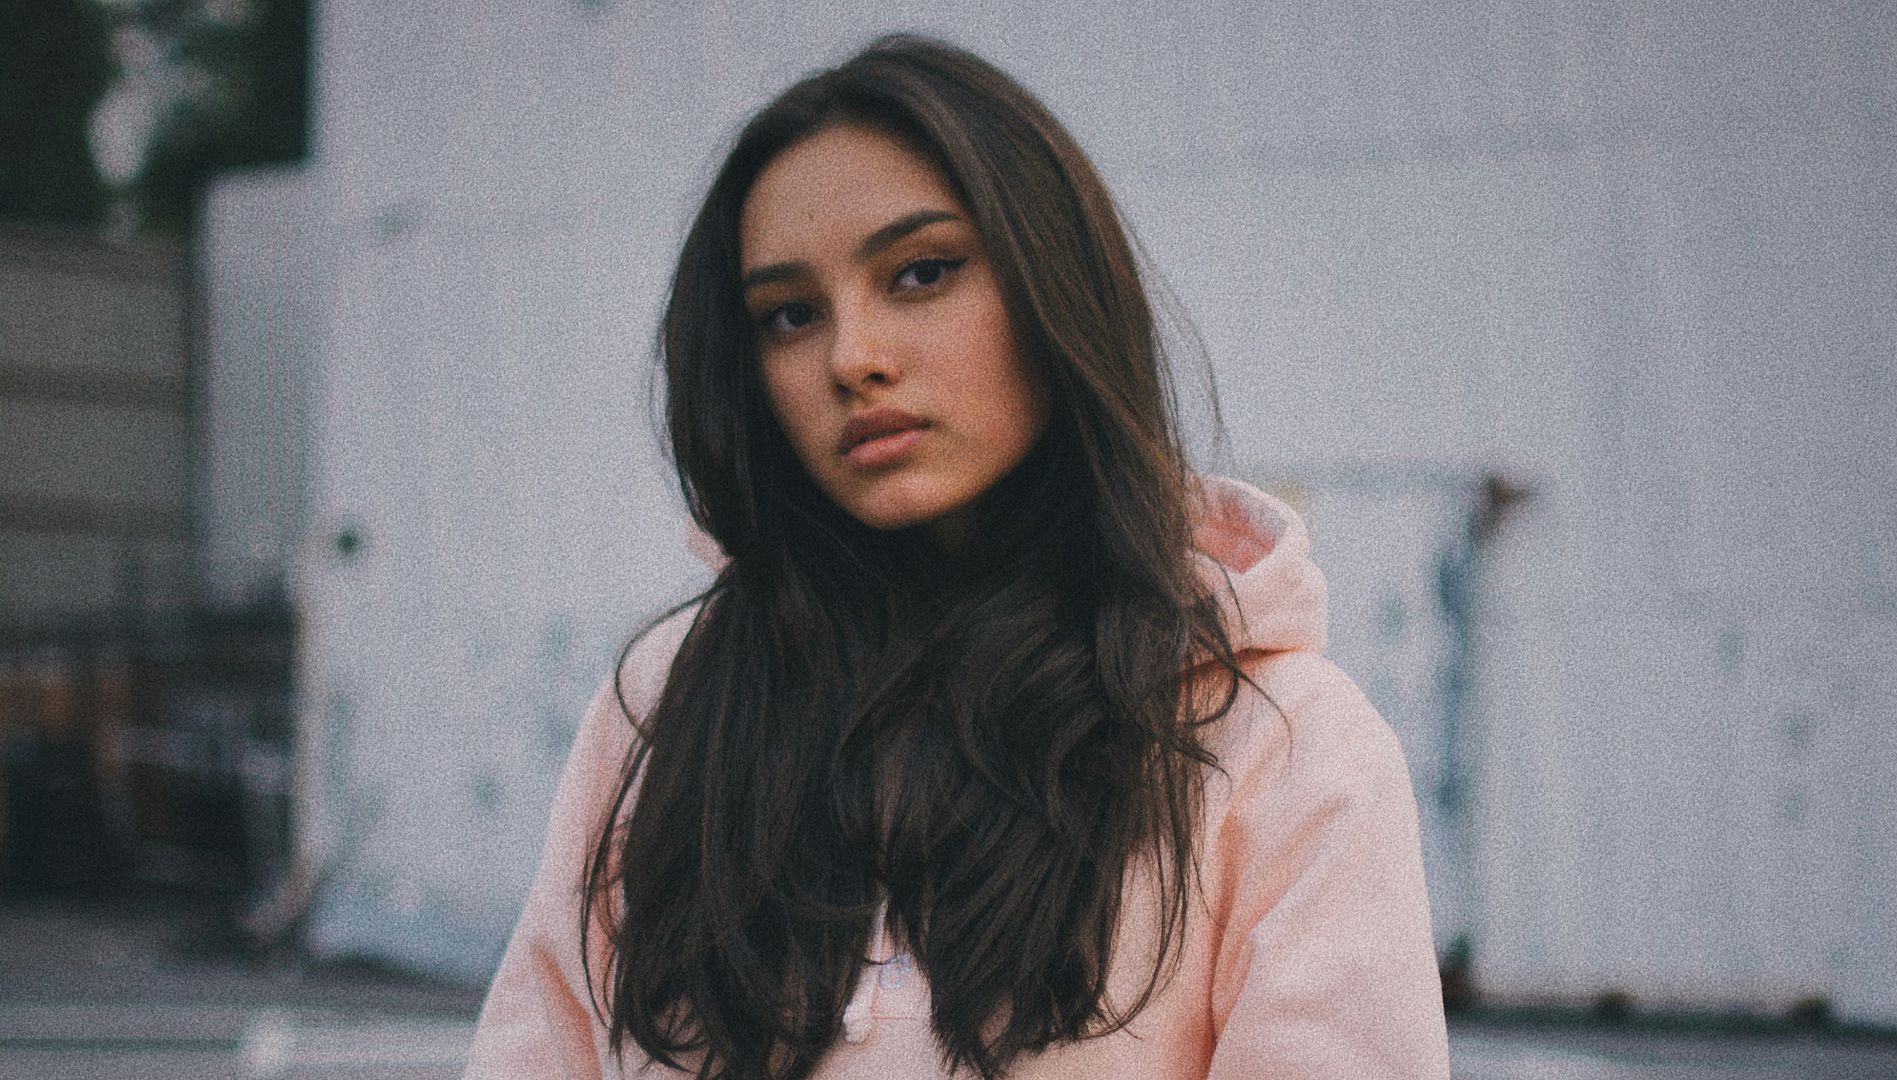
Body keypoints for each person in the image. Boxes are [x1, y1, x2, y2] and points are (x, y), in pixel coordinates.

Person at [465, 33, 1448, 1080]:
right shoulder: (669, 703)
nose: (854, 357)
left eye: (922, 272)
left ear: (1051, 285)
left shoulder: (1285, 750)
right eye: (790, 315)